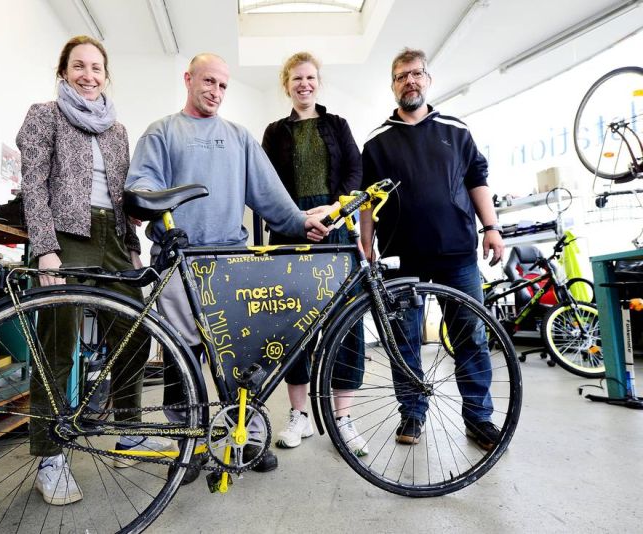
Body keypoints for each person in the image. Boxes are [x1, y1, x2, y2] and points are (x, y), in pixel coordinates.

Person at [125, 53, 330, 482]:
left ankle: (248, 437)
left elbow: (271, 196)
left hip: (230, 263)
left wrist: (299, 222)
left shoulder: (238, 138)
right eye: (208, 82)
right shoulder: (161, 132)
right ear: (188, 79)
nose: (215, 92)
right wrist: (156, 214)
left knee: (240, 356)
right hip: (179, 262)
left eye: (222, 85)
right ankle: (189, 443)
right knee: (184, 357)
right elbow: (140, 185)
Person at [16, 35, 167, 506]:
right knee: (57, 343)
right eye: (79, 66)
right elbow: (34, 184)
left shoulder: (117, 129)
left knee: (135, 331)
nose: (88, 75)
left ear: (106, 75)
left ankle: (128, 432)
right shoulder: (45, 114)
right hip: (66, 235)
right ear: (63, 72)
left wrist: (131, 246)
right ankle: (50, 456)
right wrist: (44, 249)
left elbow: (122, 197)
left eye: (96, 68)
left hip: (112, 239)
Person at [360, 48, 505, 451]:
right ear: (392, 86)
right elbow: (368, 200)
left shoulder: (456, 130)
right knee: (403, 339)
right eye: (401, 75)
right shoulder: (376, 143)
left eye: (416, 73)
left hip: (456, 251)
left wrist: (491, 227)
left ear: (428, 79)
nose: (410, 80)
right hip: (398, 256)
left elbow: (478, 179)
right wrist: (366, 243)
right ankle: (412, 412)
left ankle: (478, 417)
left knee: (471, 336)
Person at [261, 52, 368, 456]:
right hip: (291, 234)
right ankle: (299, 416)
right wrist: (297, 218)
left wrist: (334, 210)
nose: (303, 84)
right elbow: (266, 184)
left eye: (310, 78)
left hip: (337, 233)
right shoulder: (274, 132)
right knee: (293, 325)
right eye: (296, 78)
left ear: (317, 82)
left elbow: (355, 173)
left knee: (347, 326)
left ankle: (343, 419)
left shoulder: (338, 125)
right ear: (286, 84)